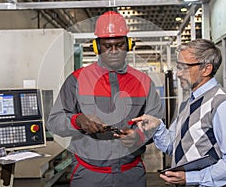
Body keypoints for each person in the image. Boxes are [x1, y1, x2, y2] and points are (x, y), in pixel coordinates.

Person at [46, 10, 163, 187]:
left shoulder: (144, 82)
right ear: (97, 46)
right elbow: (54, 122)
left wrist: (139, 136)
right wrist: (79, 120)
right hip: (88, 175)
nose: (114, 51)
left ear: (129, 44)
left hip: (130, 175)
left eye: (120, 45)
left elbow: (156, 124)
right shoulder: (76, 80)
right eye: (107, 46)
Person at [130, 39, 226, 186]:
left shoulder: (222, 105)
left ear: (206, 69)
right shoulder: (189, 102)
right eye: (178, 66)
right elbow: (173, 146)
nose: (178, 73)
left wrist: (191, 177)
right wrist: (158, 127)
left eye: (184, 67)